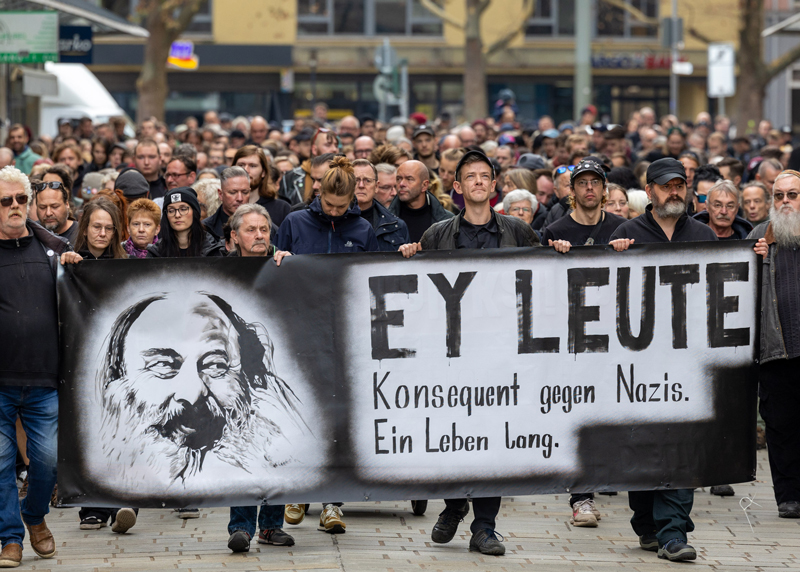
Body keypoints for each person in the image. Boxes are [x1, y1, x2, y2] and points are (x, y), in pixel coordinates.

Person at [399, 150, 538, 557]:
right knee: (455, 436)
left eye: (485, 176)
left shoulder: (518, 231)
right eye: (470, 177)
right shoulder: (438, 235)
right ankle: (456, 502)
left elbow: (543, 279)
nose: (479, 182)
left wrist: (559, 250)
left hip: (501, 354)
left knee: (494, 439)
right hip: (452, 356)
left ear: (495, 186)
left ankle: (484, 527)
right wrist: (410, 259)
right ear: (457, 187)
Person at [609, 158, 717, 562]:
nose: (675, 192)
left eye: (681, 185)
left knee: (681, 444)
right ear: (650, 190)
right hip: (640, 365)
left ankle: (674, 531)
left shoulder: (703, 235)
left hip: (689, 365)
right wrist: (613, 255)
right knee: (643, 445)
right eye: (666, 186)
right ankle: (648, 523)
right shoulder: (627, 233)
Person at [278, 157, 378, 534]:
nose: (334, 211)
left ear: (353, 197)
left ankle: (332, 503)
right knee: (300, 411)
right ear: (317, 192)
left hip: (343, 334)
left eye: (342, 206)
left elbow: (369, 280)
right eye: (328, 204)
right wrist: (281, 259)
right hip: (301, 329)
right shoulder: (294, 222)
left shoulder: (363, 227)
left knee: (338, 417)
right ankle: (297, 489)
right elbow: (278, 269)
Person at [0, 165, 82, 568]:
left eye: (20, 199)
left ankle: (34, 517)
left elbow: (79, 302)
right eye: (5, 201)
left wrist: (74, 268)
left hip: (45, 379)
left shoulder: (53, 251)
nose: (15, 207)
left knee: (47, 462)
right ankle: (11, 539)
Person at [222, 204, 294, 552]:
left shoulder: (283, 267)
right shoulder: (222, 272)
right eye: (251, 230)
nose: (259, 235)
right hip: (234, 377)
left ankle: (271, 525)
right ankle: (241, 527)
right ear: (235, 237)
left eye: (264, 229)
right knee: (244, 448)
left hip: (276, 375)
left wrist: (296, 269)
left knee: (277, 447)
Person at [749, 169, 800, 520]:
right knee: (781, 426)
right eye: (779, 196)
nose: (785, 202)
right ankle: (788, 496)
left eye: (792, 195)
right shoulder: (758, 236)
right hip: (775, 349)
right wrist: (754, 259)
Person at [147, 187, 225, 258]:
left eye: (183, 209)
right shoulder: (156, 253)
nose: (177, 215)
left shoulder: (211, 250)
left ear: (195, 213)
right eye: (171, 211)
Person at [389, 160, 454, 243]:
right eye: (398, 179)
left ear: (424, 185)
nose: (401, 184)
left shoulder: (447, 220)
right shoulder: (385, 220)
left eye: (409, 179)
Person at [352, 159, 409, 251]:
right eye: (356, 180)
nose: (361, 185)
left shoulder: (396, 225)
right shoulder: (336, 221)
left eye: (367, 180)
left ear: (376, 186)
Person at [233, 145, 290, 227]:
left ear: (263, 172)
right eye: (241, 165)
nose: (245, 170)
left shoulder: (281, 209)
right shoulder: (224, 206)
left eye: (252, 166)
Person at [202, 167, 252, 240]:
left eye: (245, 192)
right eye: (233, 193)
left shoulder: (264, 227)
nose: (240, 198)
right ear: (220, 194)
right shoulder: (205, 229)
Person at [34, 165, 78, 244]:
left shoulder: (81, 234)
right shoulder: (31, 232)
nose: (48, 213)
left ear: (67, 204)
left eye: (54, 207)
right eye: (42, 207)